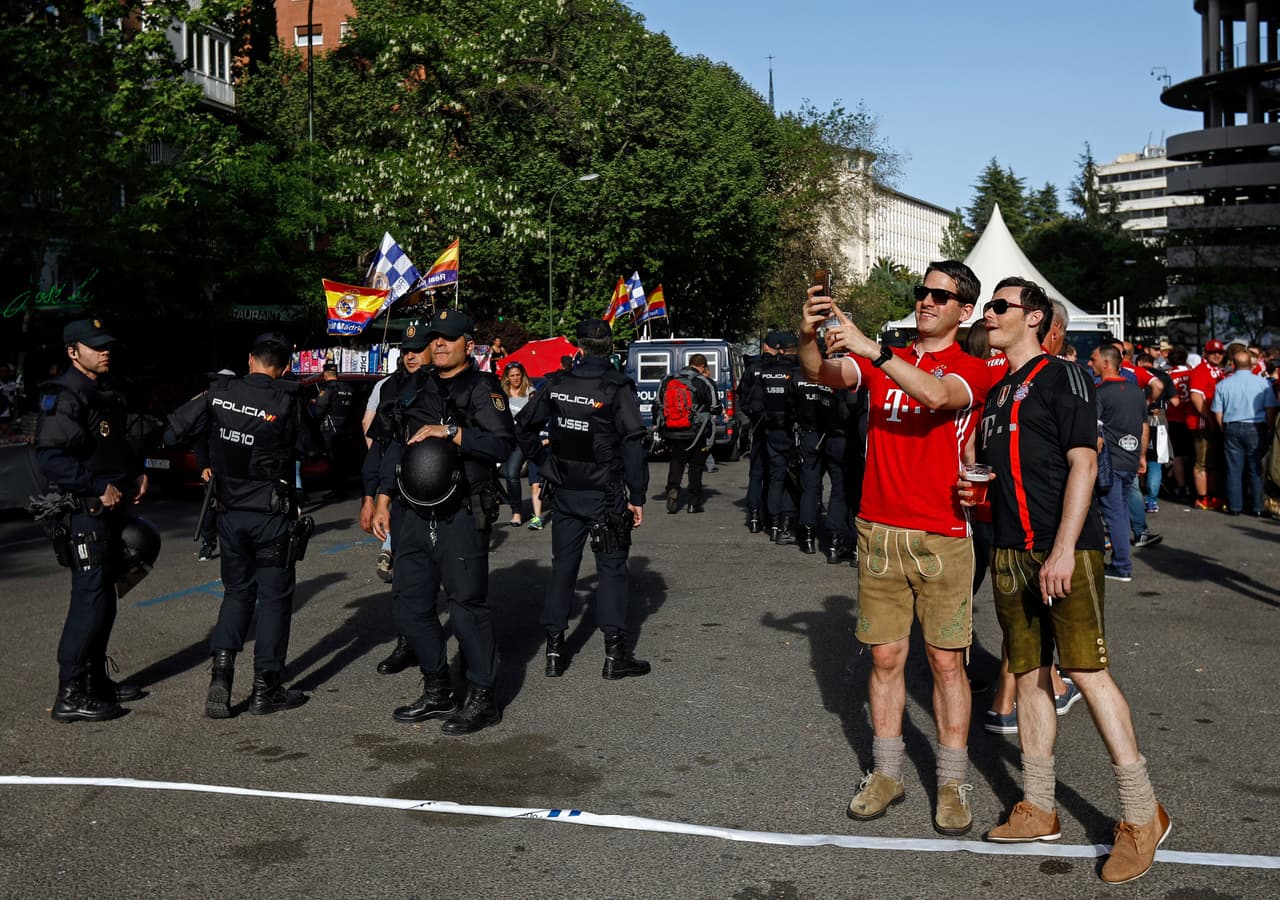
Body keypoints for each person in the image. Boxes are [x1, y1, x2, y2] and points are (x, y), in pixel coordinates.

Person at [971, 277, 1168, 885]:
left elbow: (1086, 462)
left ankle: (1141, 815)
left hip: (1063, 552)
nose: (989, 315)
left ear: (1033, 317)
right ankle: (1038, 804)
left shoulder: (1064, 376)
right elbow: (1002, 470)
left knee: (1086, 670)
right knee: (1028, 674)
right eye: (987, 307)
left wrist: (1061, 549)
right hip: (1010, 549)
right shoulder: (1000, 390)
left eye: (999, 306)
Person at [800, 260, 988, 837]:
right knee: (885, 660)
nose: (927, 301)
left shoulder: (975, 368)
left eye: (940, 294)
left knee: (945, 663)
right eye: (922, 291)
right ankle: (888, 773)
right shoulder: (886, 360)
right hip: (879, 530)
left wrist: (869, 346)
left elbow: (934, 395)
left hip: (943, 536)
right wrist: (809, 335)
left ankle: (952, 780)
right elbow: (823, 374)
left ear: (964, 310)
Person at [370, 308, 514, 735]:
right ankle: (437, 689)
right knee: (410, 604)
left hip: (462, 512)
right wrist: (381, 499)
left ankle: (482, 697)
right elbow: (394, 445)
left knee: (466, 605)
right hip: (411, 512)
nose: (438, 344)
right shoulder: (414, 389)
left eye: (448, 338)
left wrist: (450, 433)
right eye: (434, 338)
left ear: (468, 345)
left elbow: (502, 445)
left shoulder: (483, 388)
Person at [166, 333, 316, 718]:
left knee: (236, 593)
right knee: (275, 600)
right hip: (271, 516)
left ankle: (221, 675)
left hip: (229, 512)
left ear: (250, 359)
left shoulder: (218, 392)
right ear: (284, 367)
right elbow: (314, 447)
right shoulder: (288, 399)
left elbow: (173, 431)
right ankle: (267, 689)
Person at [516, 318, 650, 680]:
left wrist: (544, 465)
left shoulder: (558, 383)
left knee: (564, 567)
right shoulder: (616, 386)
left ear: (579, 346)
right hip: (603, 492)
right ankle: (614, 655)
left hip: (566, 490)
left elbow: (525, 426)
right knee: (611, 569)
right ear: (609, 346)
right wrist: (637, 495)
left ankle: (555, 652)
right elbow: (634, 440)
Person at [34, 319, 150, 722]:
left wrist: (135, 471)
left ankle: (96, 682)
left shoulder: (103, 390)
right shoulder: (63, 395)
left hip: (112, 510)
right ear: (72, 351)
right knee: (89, 602)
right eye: (95, 346)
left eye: (107, 345)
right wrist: (96, 486)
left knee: (104, 601)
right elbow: (51, 457)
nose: (105, 351)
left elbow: (112, 443)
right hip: (86, 513)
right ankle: (70, 694)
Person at [361, 324, 430, 675]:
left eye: (418, 349)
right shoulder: (389, 388)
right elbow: (380, 451)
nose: (411, 355)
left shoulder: (441, 386)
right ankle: (407, 644)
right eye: (406, 350)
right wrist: (370, 497)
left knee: (446, 581)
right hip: (400, 498)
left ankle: (449, 648)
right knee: (404, 580)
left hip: (441, 500)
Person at [1091, 343, 1158, 582]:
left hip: (1110, 462)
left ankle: (1121, 564)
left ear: (1106, 363)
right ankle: (1121, 562)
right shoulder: (1135, 391)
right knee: (1120, 510)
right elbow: (1143, 427)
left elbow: (1096, 434)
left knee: (1114, 513)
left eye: (1094, 359)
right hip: (1129, 460)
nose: (1091, 364)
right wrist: (1141, 457)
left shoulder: (1099, 392)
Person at [1211, 347, 1278, 516]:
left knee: (1233, 469)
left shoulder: (1223, 384)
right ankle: (1257, 507)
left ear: (1233, 364)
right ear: (1251, 364)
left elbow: (1217, 411)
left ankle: (1235, 507)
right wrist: (1268, 427)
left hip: (1232, 425)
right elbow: (1270, 408)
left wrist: (1223, 427)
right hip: (1256, 426)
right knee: (1255, 468)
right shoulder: (1262, 383)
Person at [658, 353, 720, 514]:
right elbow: (715, 407)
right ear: (703, 367)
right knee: (696, 466)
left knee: (676, 462)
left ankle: (673, 489)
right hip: (696, 432)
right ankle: (694, 503)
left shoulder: (669, 379)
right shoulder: (704, 382)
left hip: (672, 430)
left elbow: (658, 403)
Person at [756, 332, 799, 544]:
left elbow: (755, 404)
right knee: (791, 482)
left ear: (780, 350)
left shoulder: (765, 373)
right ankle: (786, 524)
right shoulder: (799, 372)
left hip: (771, 431)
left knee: (776, 478)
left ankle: (772, 524)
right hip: (793, 433)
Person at [737, 336, 776, 533]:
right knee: (775, 475)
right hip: (778, 428)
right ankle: (772, 518)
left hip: (759, 426)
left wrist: (752, 415)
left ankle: (753, 516)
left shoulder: (753, 368)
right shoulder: (780, 370)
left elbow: (742, 396)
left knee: (757, 473)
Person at [1190, 339, 1229, 509]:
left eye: (1220, 353)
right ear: (1205, 353)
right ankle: (1202, 496)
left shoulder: (1218, 371)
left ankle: (1212, 495)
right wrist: (1209, 419)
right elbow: (1196, 397)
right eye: (1213, 352)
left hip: (1214, 422)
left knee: (1212, 462)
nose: (1217, 356)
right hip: (1203, 424)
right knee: (1203, 462)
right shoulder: (1201, 370)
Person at [313, 361, 355, 500]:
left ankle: (337, 491)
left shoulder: (327, 389)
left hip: (331, 431)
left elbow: (319, 410)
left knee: (333, 462)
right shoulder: (348, 388)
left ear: (325, 375)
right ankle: (341, 488)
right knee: (341, 461)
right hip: (345, 429)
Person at [500, 361, 534, 526]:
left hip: (523, 440)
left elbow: (537, 416)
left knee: (512, 474)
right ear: (507, 377)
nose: (515, 378)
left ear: (523, 375)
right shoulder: (502, 394)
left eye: (518, 375)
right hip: (505, 439)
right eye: (512, 375)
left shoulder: (530, 392)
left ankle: (517, 512)